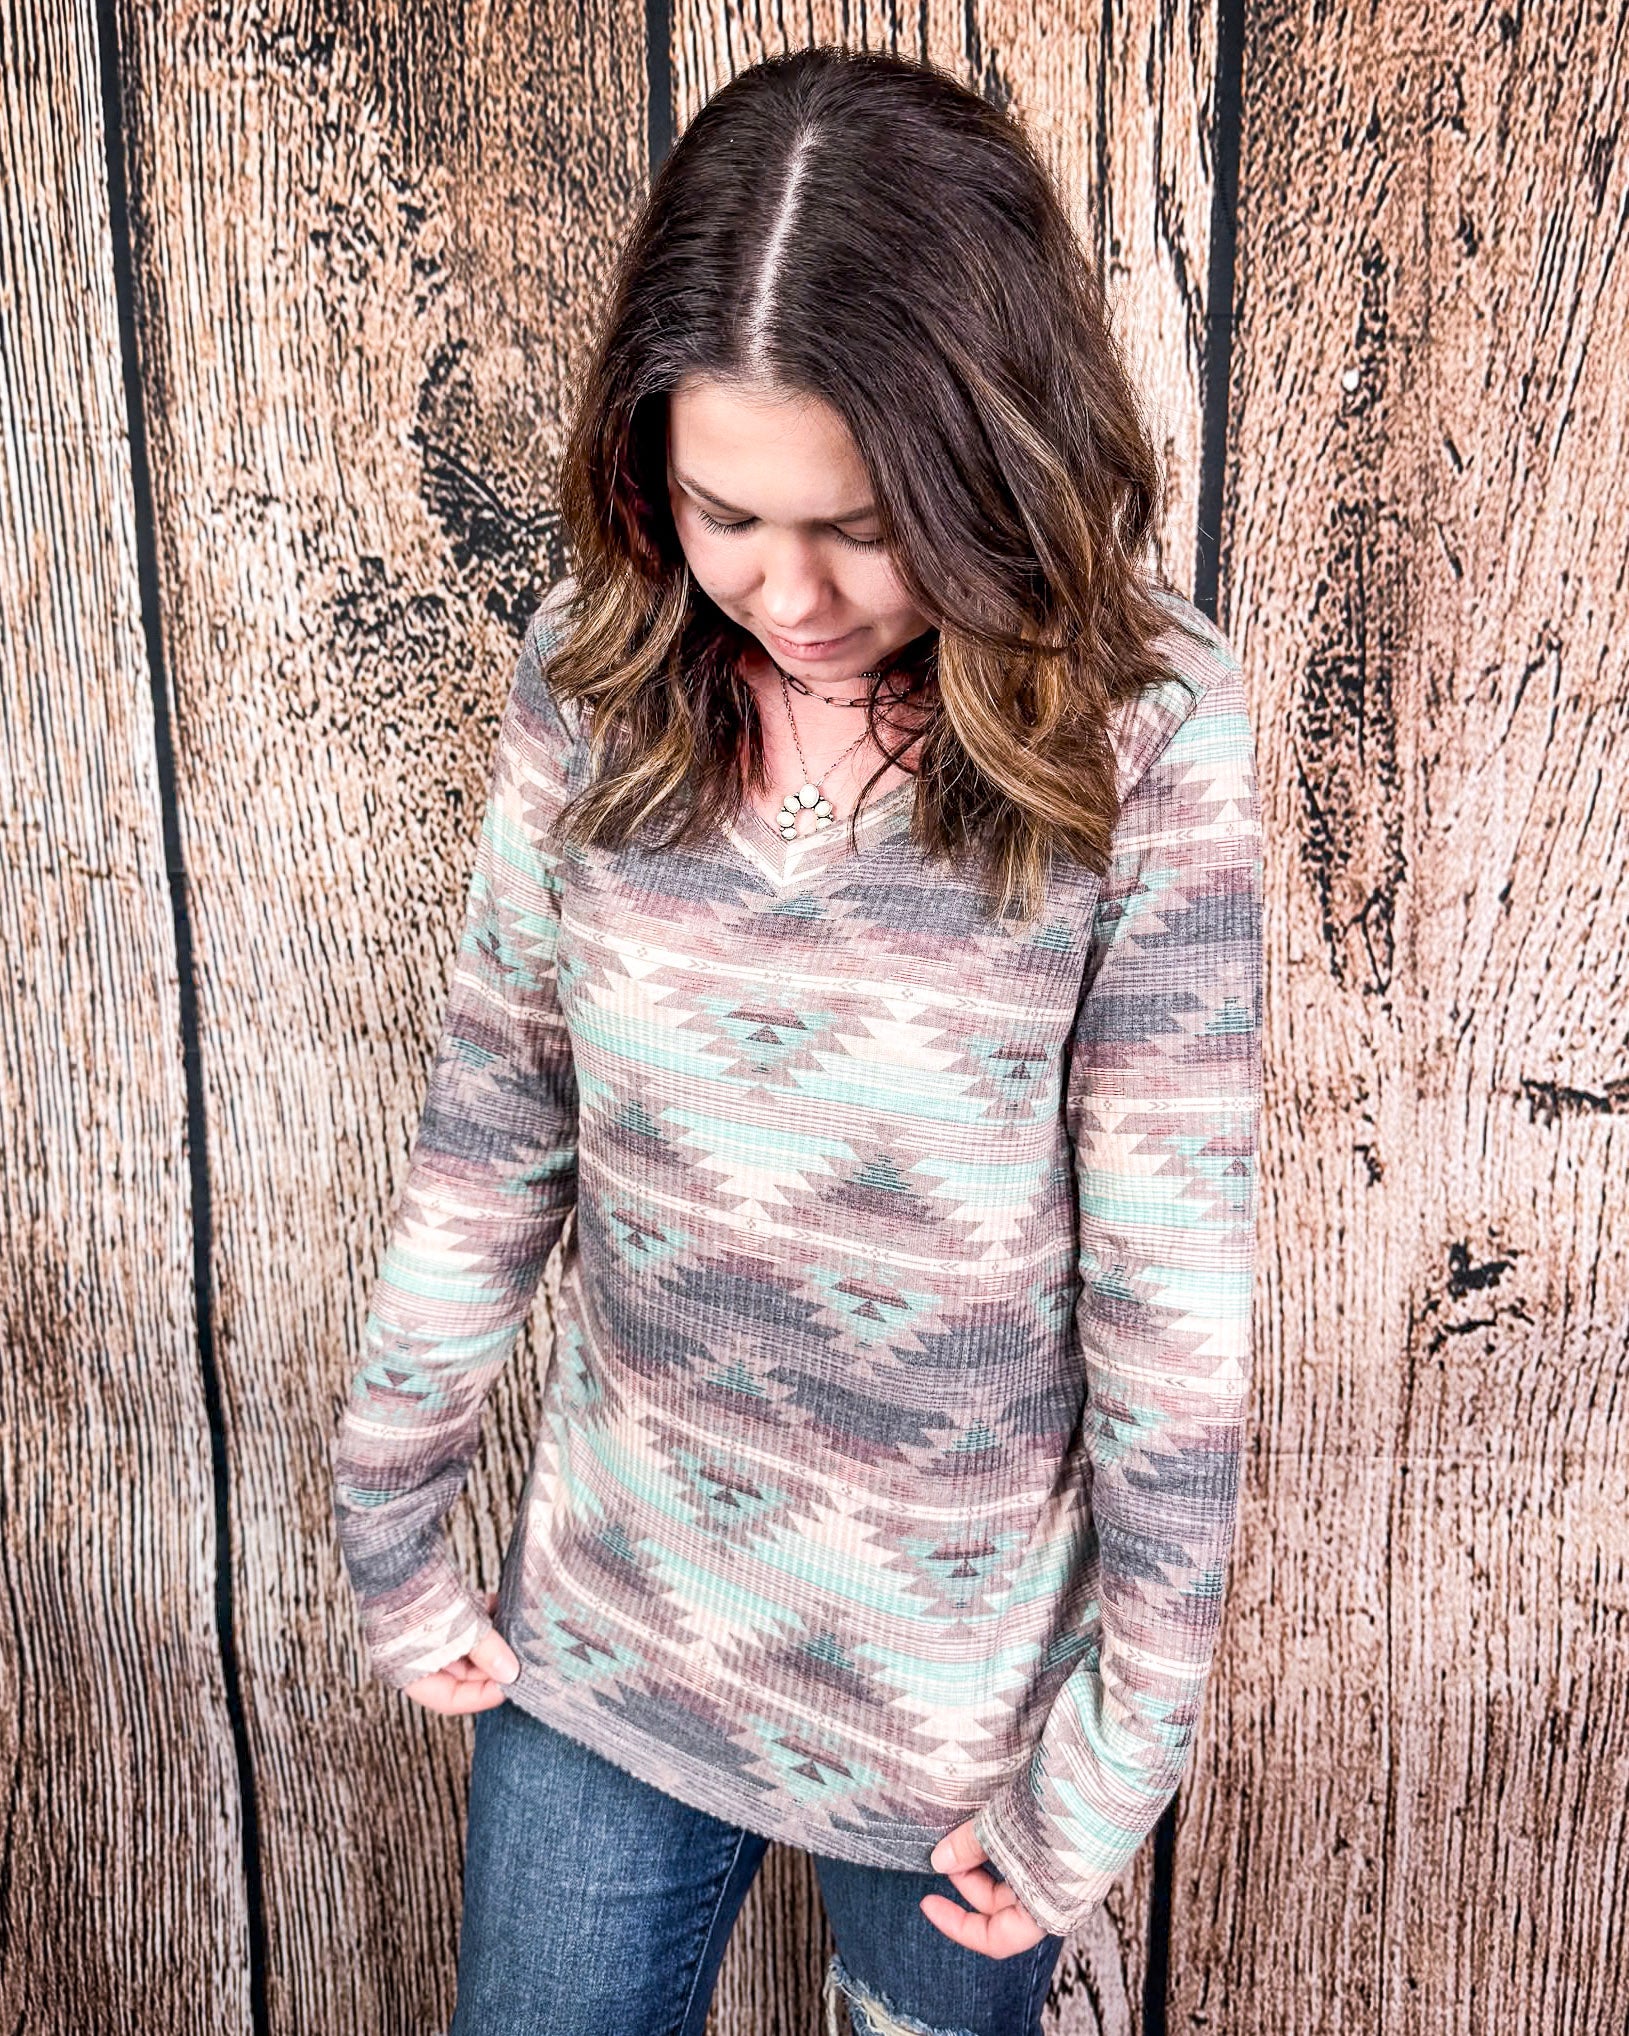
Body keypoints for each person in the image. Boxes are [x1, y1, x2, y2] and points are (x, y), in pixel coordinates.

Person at [331, 42, 1263, 2036]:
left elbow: (1169, 1291)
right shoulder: (595, 676)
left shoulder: (1147, 733)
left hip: (962, 1701)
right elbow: (496, 1120)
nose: (790, 592)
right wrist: (389, 1507)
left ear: (986, 459)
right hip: (618, 1620)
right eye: (723, 511)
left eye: (860, 522)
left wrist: (1125, 1739)